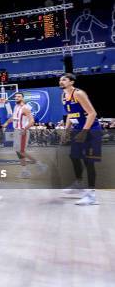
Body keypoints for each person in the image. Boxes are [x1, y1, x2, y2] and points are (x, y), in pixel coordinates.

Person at [60, 73, 102, 205]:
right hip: (78, 130)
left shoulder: (78, 94)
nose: (61, 81)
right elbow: (69, 115)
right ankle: (78, 183)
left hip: (91, 130)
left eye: (64, 79)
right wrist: (66, 131)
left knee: (88, 162)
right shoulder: (63, 96)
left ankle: (91, 195)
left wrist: (84, 131)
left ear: (72, 82)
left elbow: (92, 113)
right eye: (60, 79)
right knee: (74, 156)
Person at [1, 92, 45, 178]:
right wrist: (6, 123)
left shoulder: (25, 108)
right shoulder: (16, 107)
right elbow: (13, 117)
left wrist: (25, 129)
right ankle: (25, 171)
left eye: (19, 96)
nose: (17, 98)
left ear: (23, 98)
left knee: (21, 151)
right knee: (18, 152)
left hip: (22, 131)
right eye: (16, 96)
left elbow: (32, 121)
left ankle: (40, 164)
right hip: (16, 131)